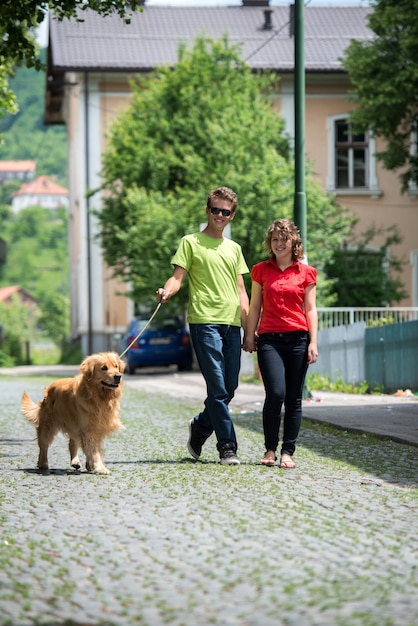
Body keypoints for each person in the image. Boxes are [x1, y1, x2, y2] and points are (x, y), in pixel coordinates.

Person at [156, 186, 249, 465]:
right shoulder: (191, 242)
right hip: (204, 320)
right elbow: (177, 277)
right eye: (216, 210)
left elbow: (242, 291)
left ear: (232, 215)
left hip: (232, 324)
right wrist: (167, 291)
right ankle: (227, 446)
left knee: (229, 387)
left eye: (226, 211)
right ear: (207, 211)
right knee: (218, 387)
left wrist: (250, 329)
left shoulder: (234, 249)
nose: (220, 215)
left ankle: (199, 427)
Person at [243, 218, 318, 468]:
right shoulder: (261, 270)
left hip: (298, 339)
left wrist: (313, 342)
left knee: (293, 397)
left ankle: (288, 452)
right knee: (275, 393)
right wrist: (250, 335)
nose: (279, 244)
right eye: (274, 239)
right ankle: (269, 449)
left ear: (293, 241)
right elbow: (254, 306)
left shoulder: (306, 273)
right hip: (269, 340)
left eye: (284, 239)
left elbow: (311, 309)